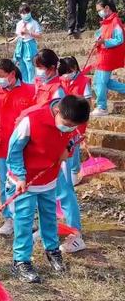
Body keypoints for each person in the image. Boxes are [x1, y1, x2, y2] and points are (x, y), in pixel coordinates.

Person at [6, 95, 90, 283]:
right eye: (67, 124)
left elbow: (71, 139)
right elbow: (14, 150)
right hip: (25, 180)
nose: (69, 128)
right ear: (57, 111)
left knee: (49, 217)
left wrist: (67, 150)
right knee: (24, 220)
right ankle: (21, 261)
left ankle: (52, 251)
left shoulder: (70, 122)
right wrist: (20, 176)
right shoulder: (31, 120)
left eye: (73, 126)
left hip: (49, 178)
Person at [0, 59, 35, 236]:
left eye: (0, 75)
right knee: (5, 183)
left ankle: (25, 218)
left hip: (25, 147)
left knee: (24, 182)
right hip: (2, 145)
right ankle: (9, 217)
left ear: (12, 75)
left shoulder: (30, 91)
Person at [58, 56, 92, 253]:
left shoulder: (81, 81)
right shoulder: (59, 82)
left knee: (65, 188)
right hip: (62, 130)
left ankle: (75, 233)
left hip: (72, 129)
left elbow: (85, 105)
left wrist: (77, 126)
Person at [91, 0, 125, 117]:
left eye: (100, 10)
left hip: (108, 57)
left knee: (99, 82)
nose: (99, 12)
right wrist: (98, 40)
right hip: (103, 55)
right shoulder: (106, 22)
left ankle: (102, 107)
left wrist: (104, 41)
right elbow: (100, 34)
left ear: (107, 8)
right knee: (104, 82)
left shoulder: (115, 21)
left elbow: (119, 39)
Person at [13, 3, 42, 84]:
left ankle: (32, 85)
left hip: (30, 45)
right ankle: (25, 84)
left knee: (30, 67)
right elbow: (18, 35)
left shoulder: (34, 23)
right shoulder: (19, 23)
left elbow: (39, 35)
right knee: (22, 66)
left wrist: (29, 32)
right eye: (23, 13)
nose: (25, 14)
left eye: (26, 12)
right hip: (21, 45)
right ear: (20, 14)